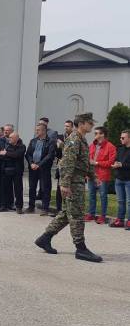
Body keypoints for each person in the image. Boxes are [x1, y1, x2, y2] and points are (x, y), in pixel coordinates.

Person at [35, 112, 103, 262]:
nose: (91, 125)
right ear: (82, 123)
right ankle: (81, 248)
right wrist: (65, 184)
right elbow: (67, 163)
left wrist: (94, 177)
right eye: (90, 122)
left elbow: (86, 162)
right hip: (72, 182)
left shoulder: (82, 139)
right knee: (77, 214)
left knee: (67, 214)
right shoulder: (74, 139)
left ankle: (44, 238)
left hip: (76, 180)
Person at [85, 126, 116, 224]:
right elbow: (88, 159)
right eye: (95, 133)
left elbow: (111, 162)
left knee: (103, 196)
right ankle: (91, 214)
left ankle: (103, 216)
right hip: (91, 174)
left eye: (96, 133)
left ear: (102, 134)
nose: (95, 135)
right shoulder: (92, 145)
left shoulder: (110, 146)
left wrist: (97, 163)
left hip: (103, 175)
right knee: (91, 195)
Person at [25, 123, 56, 216]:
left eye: (38, 130)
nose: (36, 131)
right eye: (36, 130)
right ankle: (31, 207)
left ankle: (45, 208)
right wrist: (31, 163)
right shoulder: (33, 141)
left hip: (44, 169)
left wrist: (39, 164)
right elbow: (28, 154)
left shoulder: (50, 141)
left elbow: (50, 155)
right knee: (32, 188)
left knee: (45, 188)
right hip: (33, 168)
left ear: (43, 131)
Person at [0, 132, 25, 214]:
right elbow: (0, 155)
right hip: (6, 170)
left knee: (18, 189)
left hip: (17, 171)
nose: (9, 139)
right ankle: (5, 205)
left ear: (16, 138)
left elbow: (17, 155)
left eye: (11, 138)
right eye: (9, 137)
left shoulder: (22, 146)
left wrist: (6, 153)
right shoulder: (7, 145)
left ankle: (19, 207)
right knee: (5, 189)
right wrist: (10, 155)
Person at [110, 130, 130, 229]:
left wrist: (122, 165)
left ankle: (129, 221)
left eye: (123, 138)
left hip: (128, 180)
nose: (120, 139)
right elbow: (116, 159)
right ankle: (120, 220)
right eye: (120, 137)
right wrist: (115, 164)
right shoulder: (120, 149)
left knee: (129, 201)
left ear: (129, 138)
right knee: (120, 201)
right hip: (119, 178)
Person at [54, 120, 74, 215]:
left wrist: (63, 146)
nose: (66, 128)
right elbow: (57, 152)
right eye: (65, 126)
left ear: (72, 127)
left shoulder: (74, 137)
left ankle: (68, 210)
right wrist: (58, 146)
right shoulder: (60, 137)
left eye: (68, 126)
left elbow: (72, 150)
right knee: (59, 187)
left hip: (70, 166)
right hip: (61, 165)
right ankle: (59, 209)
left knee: (68, 188)